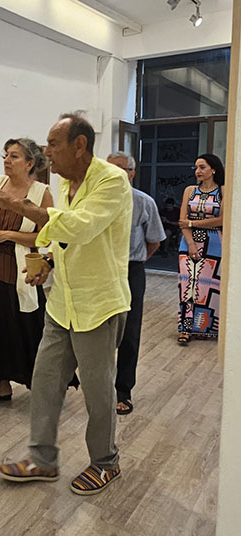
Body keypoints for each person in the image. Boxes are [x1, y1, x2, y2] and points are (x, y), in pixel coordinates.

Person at [0, 112, 132, 495]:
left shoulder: (111, 181)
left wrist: (13, 203)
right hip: (62, 303)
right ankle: (42, 459)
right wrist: (47, 261)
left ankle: (105, 461)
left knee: (98, 391)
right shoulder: (64, 184)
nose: (46, 152)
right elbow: (61, 237)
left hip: (98, 305)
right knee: (45, 382)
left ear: (79, 145)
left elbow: (79, 227)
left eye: (53, 144)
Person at [0, 138, 53, 407]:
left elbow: (44, 237)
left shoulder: (41, 193)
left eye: (14, 156)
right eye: (6, 155)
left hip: (22, 272)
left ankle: (42, 386)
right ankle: (2, 386)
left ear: (30, 163)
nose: (6, 160)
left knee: (28, 330)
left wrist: (7, 235)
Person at [106, 151, 166, 415]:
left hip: (131, 270)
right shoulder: (94, 201)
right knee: (98, 331)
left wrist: (135, 262)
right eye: (108, 169)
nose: (113, 174)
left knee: (129, 333)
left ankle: (123, 390)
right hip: (100, 271)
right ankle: (99, 388)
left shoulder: (143, 202)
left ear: (131, 174)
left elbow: (154, 241)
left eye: (120, 169)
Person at [177, 153, 224, 344]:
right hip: (188, 241)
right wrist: (190, 243)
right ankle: (185, 328)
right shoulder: (189, 190)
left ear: (213, 169)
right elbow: (182, 221)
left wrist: (193, 223)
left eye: (202, 167)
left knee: (209, 286)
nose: (198, 171)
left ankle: (205, 327)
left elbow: (221, 220)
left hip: (214, 242)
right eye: (196, 167)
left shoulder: (223, 191)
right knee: (187, 284)